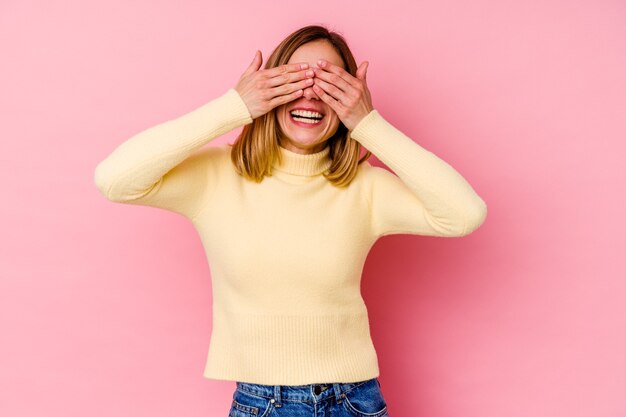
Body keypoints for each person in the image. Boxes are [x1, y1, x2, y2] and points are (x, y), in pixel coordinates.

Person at [94, 24, 487, 417]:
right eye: (294, 80)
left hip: (354, 402)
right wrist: (233, 106)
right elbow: (115, 180)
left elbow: (464, 213)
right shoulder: (216, 177)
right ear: (268, 89)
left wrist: (369, 124)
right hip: (261, 402)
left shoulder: (365, 188)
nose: (312, 94)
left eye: (330, 83)